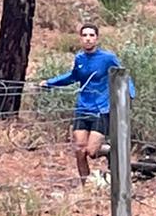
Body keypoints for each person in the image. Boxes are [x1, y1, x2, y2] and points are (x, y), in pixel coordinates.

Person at [40, 22, 133, 184]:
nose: (88, 39)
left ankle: (111, 151)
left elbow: (123, 75)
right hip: (83, 108)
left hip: (101, 108)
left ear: (97, 38)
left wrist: (129, 94)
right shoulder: (80, 58)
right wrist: (50, 83)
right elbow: (73, 76)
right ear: (80, 38)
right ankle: (85, 185)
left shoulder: (107, 58)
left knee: (91, 151)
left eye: (91, 35)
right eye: (84, 35)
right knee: (79, 150)